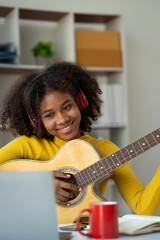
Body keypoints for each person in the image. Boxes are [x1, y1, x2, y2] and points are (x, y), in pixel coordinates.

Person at [0, 61, 160, 223]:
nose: (62, 119)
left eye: (67, 107)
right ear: (37, 121)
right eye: (49, 115)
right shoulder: (27, 145)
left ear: (80, 103)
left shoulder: (106, 150)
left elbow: (143, 208)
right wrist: (39, 184)